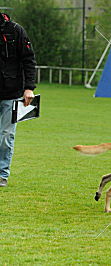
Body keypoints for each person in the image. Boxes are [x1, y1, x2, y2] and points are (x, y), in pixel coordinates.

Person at [0, 13, 36, 187]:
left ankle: (2, 175)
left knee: (6, 135)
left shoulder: (16, 31)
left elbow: (28, 60)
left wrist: (29, 88)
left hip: (12, 93)